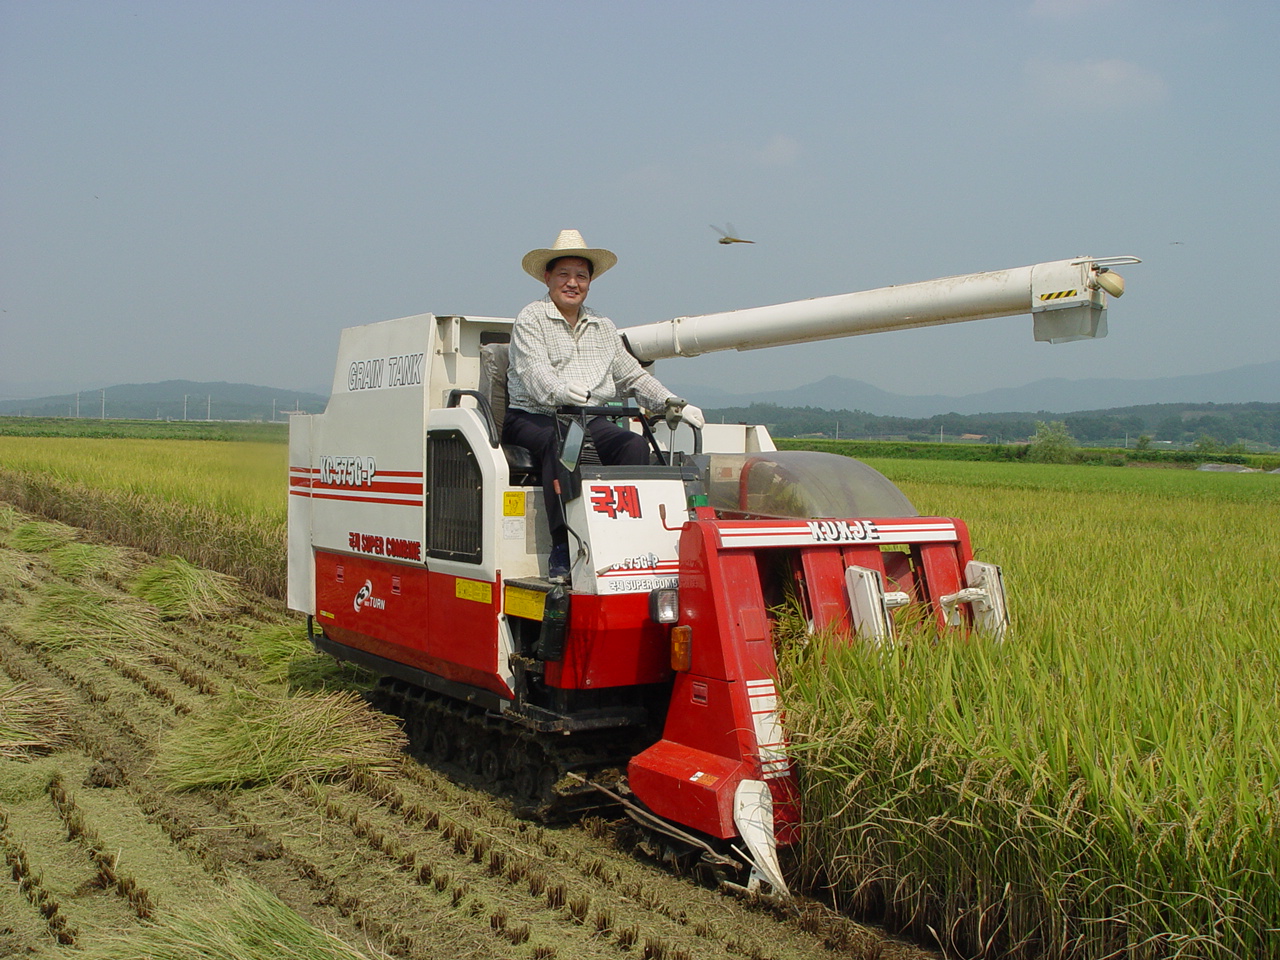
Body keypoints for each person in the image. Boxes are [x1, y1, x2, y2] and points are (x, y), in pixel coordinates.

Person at [504, 229, 704, 579]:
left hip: (587, 416)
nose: (572, 282)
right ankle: (564, 546)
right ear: (547, 277)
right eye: (564, 274)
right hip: (533, 416)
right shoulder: (530, 318)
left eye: (581, 275)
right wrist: (562, 390)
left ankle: (627, 540)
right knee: (562, 442)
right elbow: (534, 373)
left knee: (633, 444)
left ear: (590, 282)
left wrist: (673, 403)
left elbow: (633, 377)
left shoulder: (603, 327)